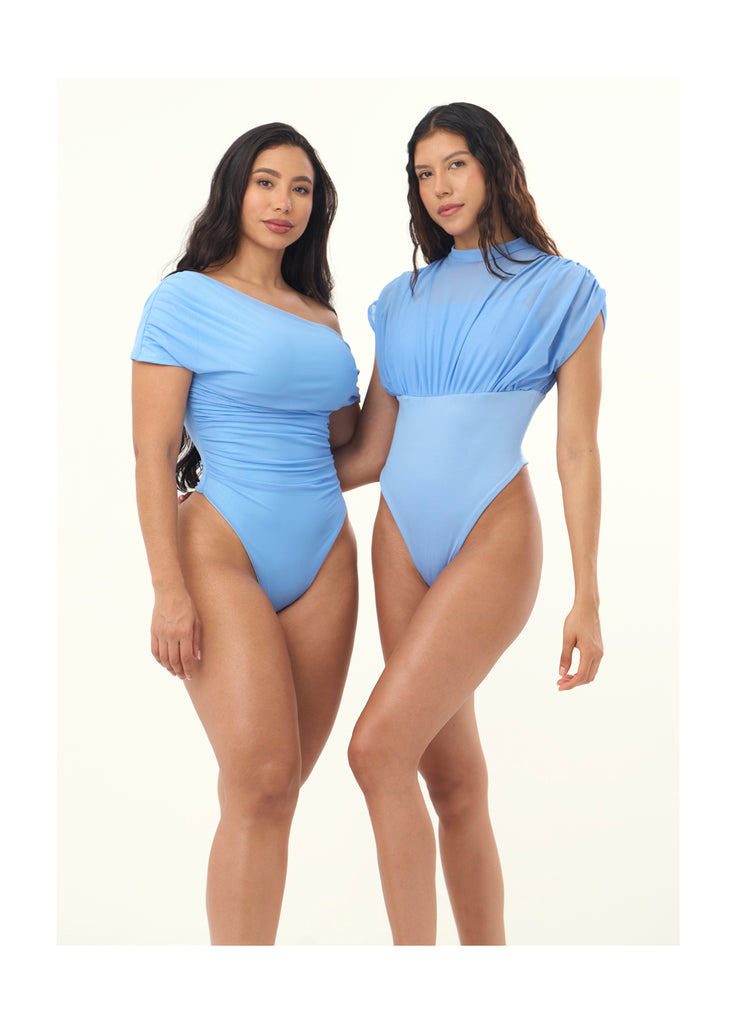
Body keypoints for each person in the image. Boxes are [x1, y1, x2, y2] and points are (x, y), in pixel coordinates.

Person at [334, 101, 606, 945]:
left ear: (494, 165)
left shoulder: (564, 288)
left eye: (455, 164)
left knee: (376, 750)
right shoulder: (400, 300)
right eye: (424, 173)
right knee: (449, 782)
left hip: (493, 533)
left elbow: (577, 449)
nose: (440, 186)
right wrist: (242, 470)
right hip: (399, 539)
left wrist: (587, 596)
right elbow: (368, 453)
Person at [131, 123, 360, 945]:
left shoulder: (323, 319)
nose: (283, 202)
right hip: (220, 548)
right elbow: (153, 453)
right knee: (261, 779)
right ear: (236, 189)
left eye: (301, 189)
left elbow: (347, 449)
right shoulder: (183, 300)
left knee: (276, 791)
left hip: (326, 556)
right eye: (267, 182)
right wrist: (168, 590)